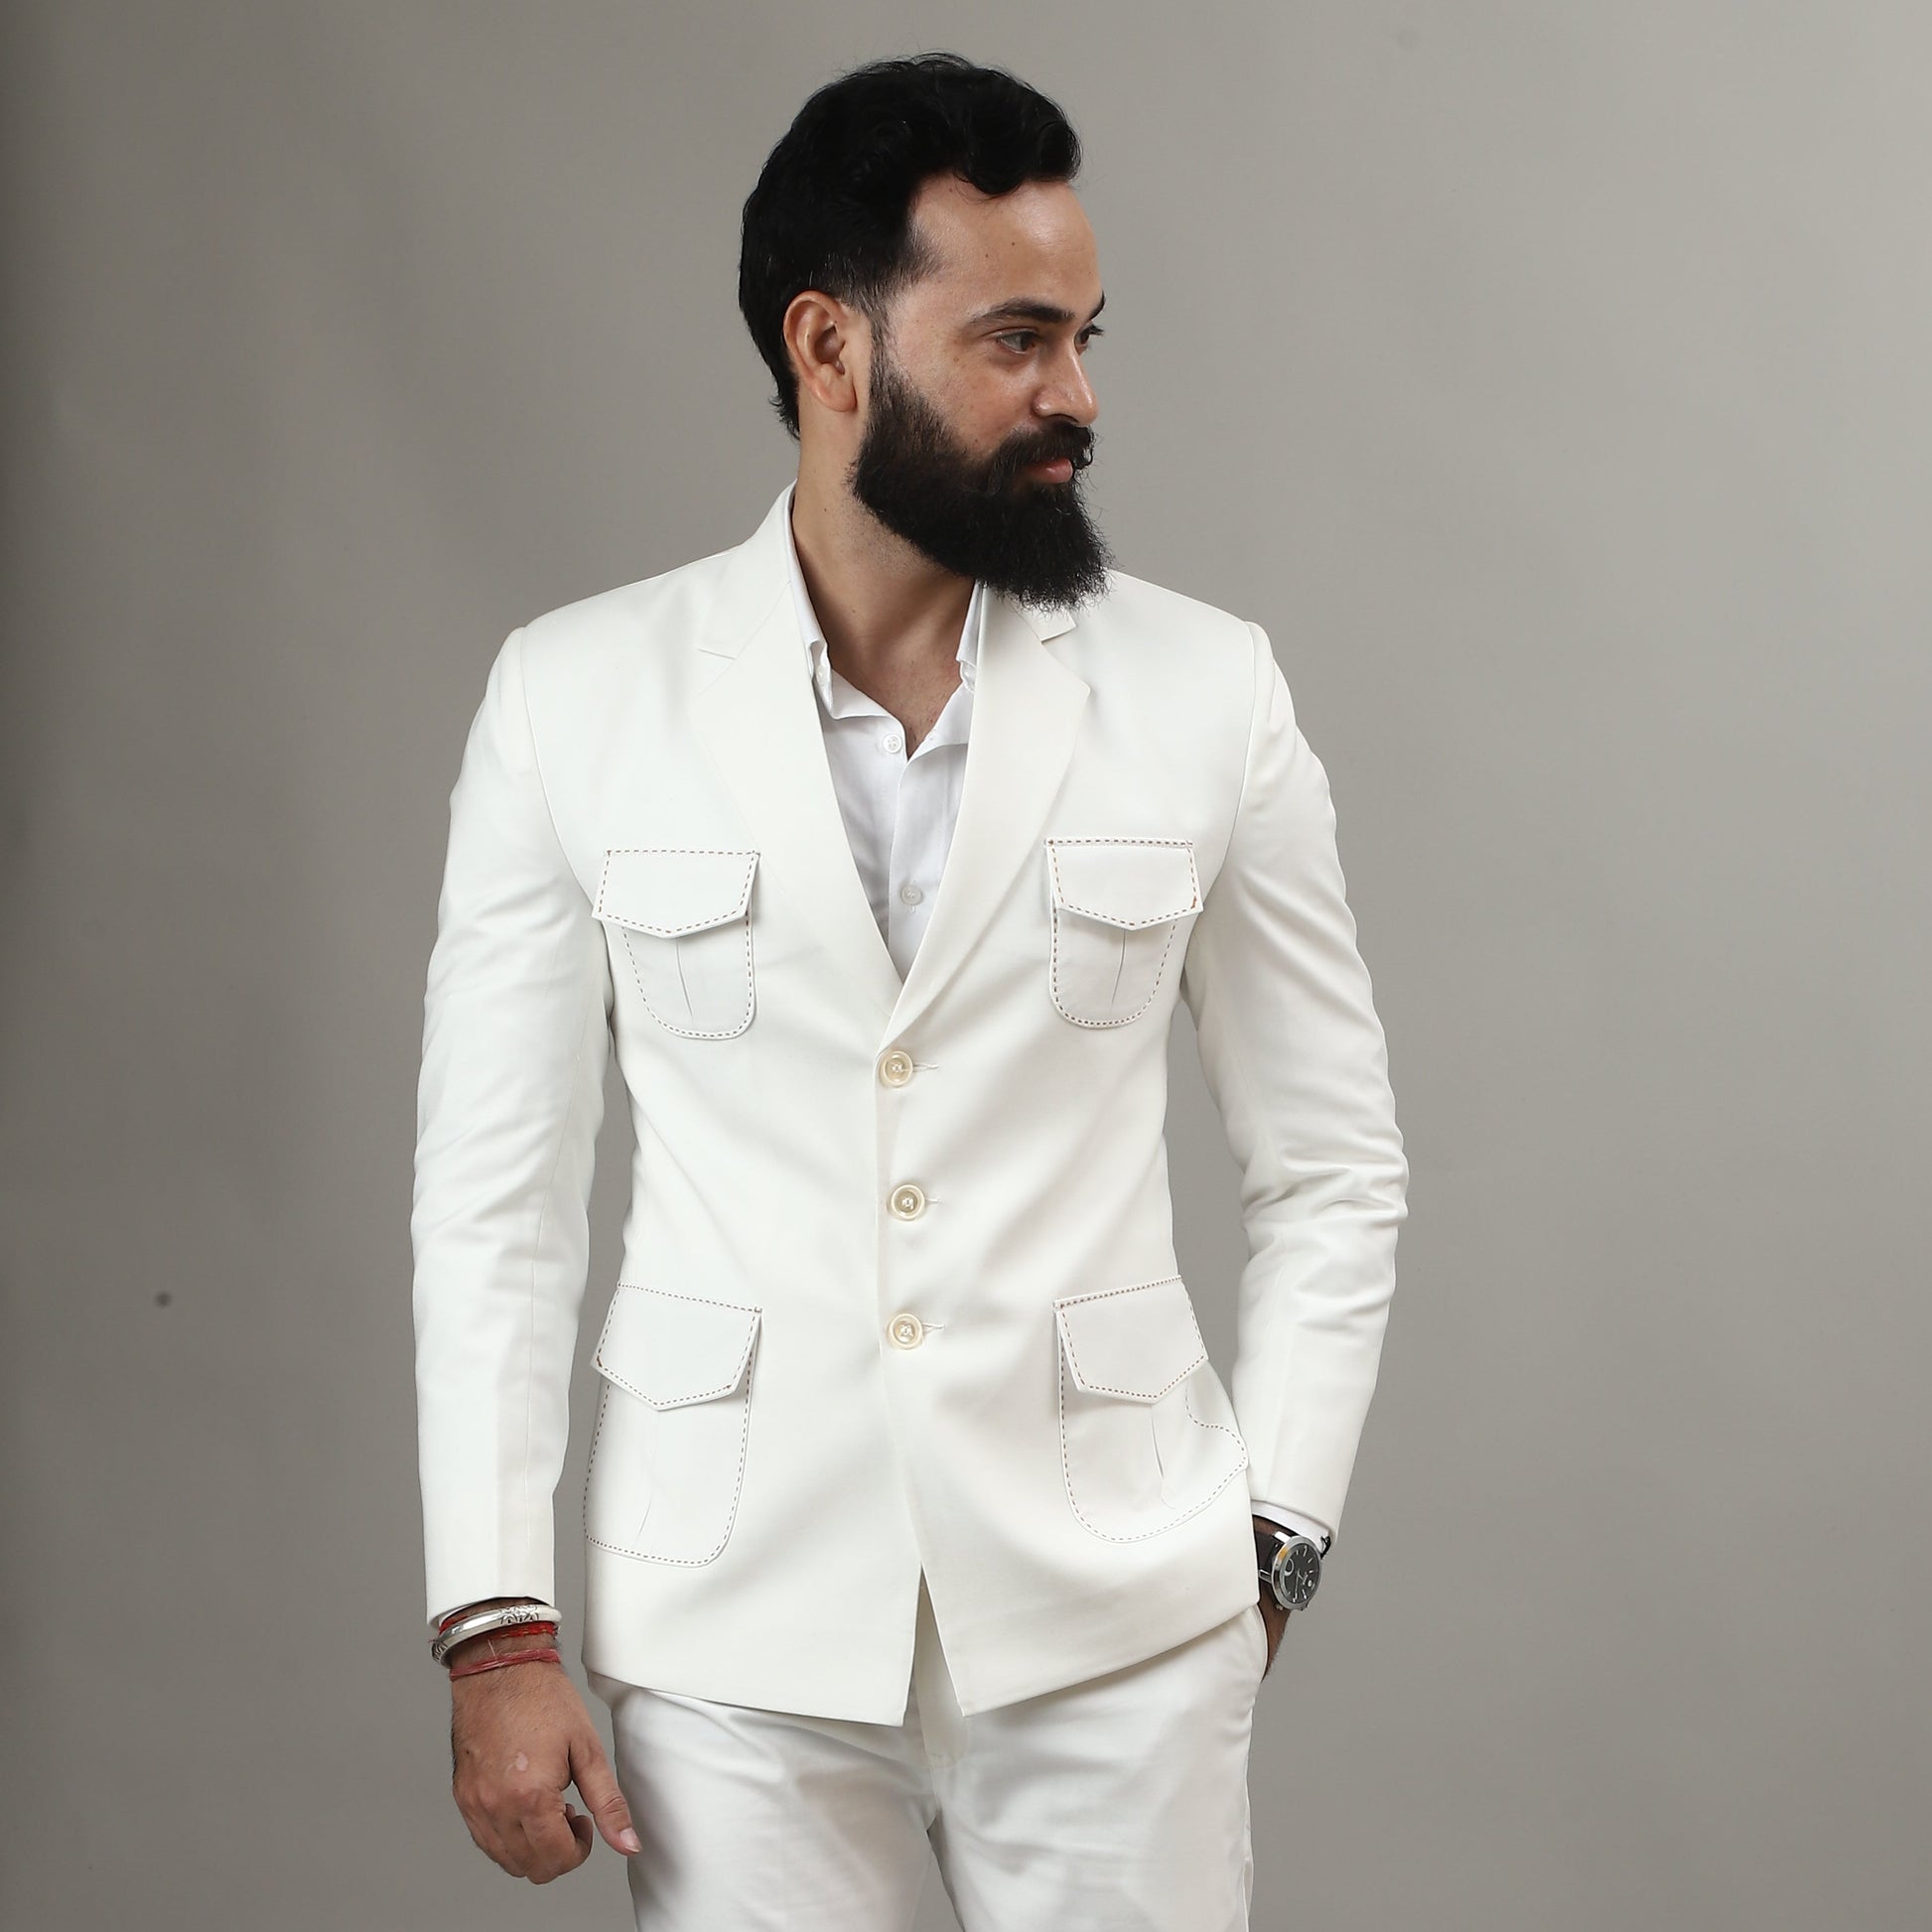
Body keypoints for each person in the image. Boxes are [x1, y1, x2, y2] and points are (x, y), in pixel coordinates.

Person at [411, 50, 1408, 1931]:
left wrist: (1264, 1546)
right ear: (829, 345)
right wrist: (494, 1623)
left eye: (1088, 336)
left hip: (1119, 1615)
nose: (1079, 396)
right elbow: (496, 1198)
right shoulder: (573, 697)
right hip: (730, 1632)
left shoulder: (1208, 693)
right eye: (1017, 340)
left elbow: (1333, 1165)